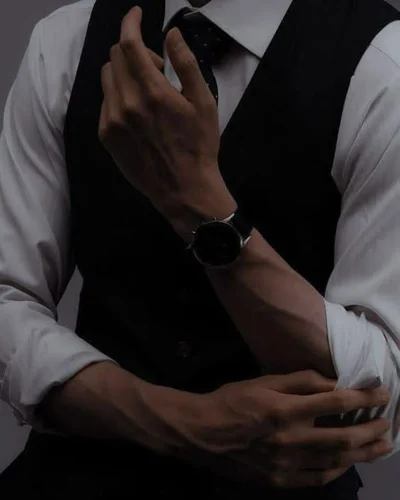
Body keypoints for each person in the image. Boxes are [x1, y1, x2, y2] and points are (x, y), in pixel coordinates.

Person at [0, 0, 400, 497]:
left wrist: (196, 200)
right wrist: (184, 423)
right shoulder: (65, 43)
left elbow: (380, 398)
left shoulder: (383, 64)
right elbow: (7, 301)